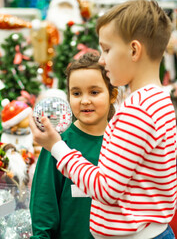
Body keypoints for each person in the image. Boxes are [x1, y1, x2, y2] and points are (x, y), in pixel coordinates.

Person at [29, 0, 177, 239]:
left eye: (107, 50)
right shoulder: (157, 100)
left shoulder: (137, 111)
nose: (101, 60)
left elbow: (105, 189)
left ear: (134, 50)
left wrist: (56, 146)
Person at [30, 52, 118, 239]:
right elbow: (44, 204)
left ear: (112, 95)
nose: (85, 100)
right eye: (76, 93)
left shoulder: (121, 141)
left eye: (94, 92)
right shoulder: (58, 143)